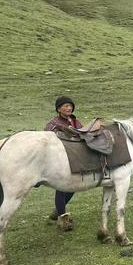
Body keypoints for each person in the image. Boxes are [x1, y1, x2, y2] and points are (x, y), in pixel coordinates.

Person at [45, 95, 83, 231]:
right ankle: (62, 217)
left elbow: (82, 134)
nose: (69, 108)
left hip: (75, 157)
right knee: (61, 187)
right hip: (60, 159)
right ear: (59, 109)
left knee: (73, 186)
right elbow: (48, 139)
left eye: (70, 106)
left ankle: (58, 211)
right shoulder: (53, 123)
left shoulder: (75, 121)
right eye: (66, 106)